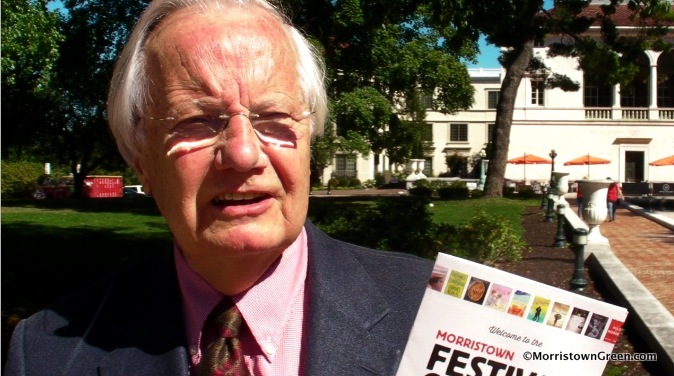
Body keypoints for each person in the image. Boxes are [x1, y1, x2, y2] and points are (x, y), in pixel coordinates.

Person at [4, 1, 433, 375]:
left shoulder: (438, 316)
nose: (244, 154)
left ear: (309, 140)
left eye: (272, 117)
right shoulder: (46, 353)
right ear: (141, 160)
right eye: (196, 121)